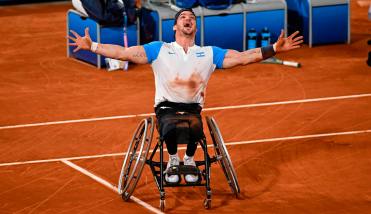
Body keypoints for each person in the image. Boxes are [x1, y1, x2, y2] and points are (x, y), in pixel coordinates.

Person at [68, 8, 303, 184]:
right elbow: (125, 52)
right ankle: (172, 159)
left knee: (193, 127)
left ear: (196, 27)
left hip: (192, 110)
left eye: (191, 17)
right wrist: (94, 46)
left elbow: (243, 57)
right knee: (171, 126)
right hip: (165, 109)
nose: (188, 19)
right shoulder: (159, 49)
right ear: (174, 27)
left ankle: (189, 159)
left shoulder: (209, 53)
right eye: (183, 17)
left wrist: (273, 48)